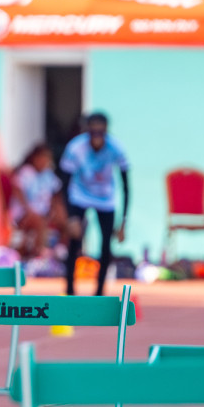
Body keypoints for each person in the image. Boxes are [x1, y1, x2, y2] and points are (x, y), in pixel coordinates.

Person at [57, 112, 129, 296]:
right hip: (80, 196)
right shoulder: (75, 148)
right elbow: (64, 182)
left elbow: (126, 186)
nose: (97, 137)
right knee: (74, 243)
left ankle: (99, 292)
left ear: (106, 132)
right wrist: (70, 216)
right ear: (87, 132)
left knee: (106, 246)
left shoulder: (116, 148)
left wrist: (123, 222)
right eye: (93, 133)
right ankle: (70, 291)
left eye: (101, 133)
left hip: (105, 199)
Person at [10, 143, 64, 261]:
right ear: (35, 158)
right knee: (39, 222)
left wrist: (54, 209)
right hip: (23, 214)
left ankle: (60, 253)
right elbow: (17, 191)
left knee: (65, 220)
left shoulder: (48, 175)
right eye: (43, 157)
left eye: (48, 158)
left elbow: (56, 193)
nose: (46, 161)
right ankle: (39, 256)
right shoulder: (26, 172)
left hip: (42, 214)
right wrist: (28, 210)